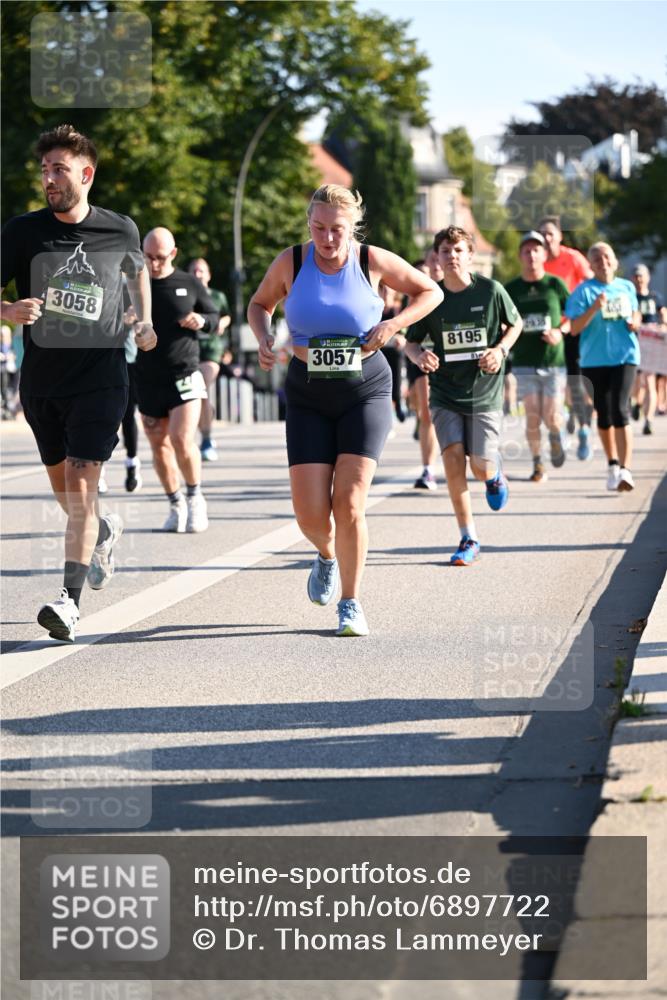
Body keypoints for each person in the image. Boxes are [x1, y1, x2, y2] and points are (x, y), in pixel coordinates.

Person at [248, 184, 442, 636]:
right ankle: (326, 554)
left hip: (364, 391)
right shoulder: (291, 262)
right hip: (307, 395)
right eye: (318, 228)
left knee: (350, 502)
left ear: (353, 227)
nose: (327, 239)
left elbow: (429, 291)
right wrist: (264, 335)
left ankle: (351, 603)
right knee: (310, 515)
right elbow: (260, 305)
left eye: (337, 229)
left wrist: (394, 324)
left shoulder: (369, 260)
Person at [0, 124, 156, 643]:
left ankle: (68, 602)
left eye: (59, 169)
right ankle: (101, 533)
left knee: (84, 486)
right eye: (45, 169)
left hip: (101, 378)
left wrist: (144, 321)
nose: (49, 178)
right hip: (43, 383)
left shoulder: (122, 229)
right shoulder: (22, 232)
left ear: (85, 174)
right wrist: (8, 309)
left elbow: (137, 275)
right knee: (69, 495)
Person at [405, 225, 522, 566]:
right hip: (444, 392)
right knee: (453, 461)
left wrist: (500, 350)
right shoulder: (433, 298)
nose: (452, 256)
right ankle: (468, 536)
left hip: (484, 390)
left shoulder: (491, 291)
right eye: (445, 251)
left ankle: (495, 474)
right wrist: (419, 356)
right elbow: (411, 342)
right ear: (437, 257)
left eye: (458, 251)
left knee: (480, 466)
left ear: (470, 256)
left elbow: (514, 325)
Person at [136, 228, 220, 532]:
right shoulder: (135, 283)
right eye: (148, 257)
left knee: (181, 439)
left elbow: (213, 316)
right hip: (147, 378)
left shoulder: (189, 282)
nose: (154, 263)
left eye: (160, 257)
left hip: (184, 373)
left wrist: (202, 320)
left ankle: (196, 497)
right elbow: (114, 318)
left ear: (173, 254)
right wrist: (124, 320)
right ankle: (175, 502)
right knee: (159, 445)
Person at [564, 242, 641, 492]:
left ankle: (626, 470)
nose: (602, 261)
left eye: (606, 256)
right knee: (604, 414)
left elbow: (636, 313)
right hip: (594, 360)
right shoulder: (583, 292)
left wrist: (635, 323)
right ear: (590, 265)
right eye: (596, 258)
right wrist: (594, 308)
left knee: (620, 409)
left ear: (615, 261)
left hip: (625, 356)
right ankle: (612, 464)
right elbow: (574, 328)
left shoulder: (626, 287)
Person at [505, 231, 569, 483]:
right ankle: (537, 463)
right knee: (532, 414)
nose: (531, 255)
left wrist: (559, 331)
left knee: (551, 415)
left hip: (553, 361)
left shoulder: (554, 285)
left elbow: (571, 314)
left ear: (544, 254)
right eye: (526, 251)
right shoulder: (511, 288)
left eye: (536, 250)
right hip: (524, 360)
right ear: (520, 256)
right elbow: (502, 319)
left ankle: (555, 435)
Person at [538, 216, 594, 455]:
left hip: (572, 328)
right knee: (552, 384)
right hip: (548, 332)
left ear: (560, 236)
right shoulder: (538, 261)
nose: (546, 238)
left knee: (574, 381)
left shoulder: (572, 258)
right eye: (542, 234)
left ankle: (583, 430)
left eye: (551, 233)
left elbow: (592, 282)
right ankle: (559, 426)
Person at [188, 257, 231, 461]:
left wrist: (221, 323)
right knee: (194, 394)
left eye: (201, 271)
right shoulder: (185, 294)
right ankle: (204, 425)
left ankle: (205, 439)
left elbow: (227, 315)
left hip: (211, 350)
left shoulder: (217, 296)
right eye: (194, 271)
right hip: (189, 350)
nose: (198, 274)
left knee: (200, 389)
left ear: (208, 275)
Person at [408, 248, 443, 490]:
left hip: (452, 360)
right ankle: (428, 469)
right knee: (427, 412)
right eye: (432, 259)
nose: (436, 263)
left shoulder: (456, 292)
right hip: (421, 357)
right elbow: (402, 320)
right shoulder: (415, 292)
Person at [630, 263, 667, 436]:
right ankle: (636, 403)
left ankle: (649, 419)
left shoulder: (655, 297)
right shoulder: (630, 297)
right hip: (635, 342)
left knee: (650, 381)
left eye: (641, 276)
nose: (639, 279)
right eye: (636, 276)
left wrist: (663, 326)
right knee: (638, 381)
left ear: (647, 278)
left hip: (651, 343)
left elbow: (663, 314)